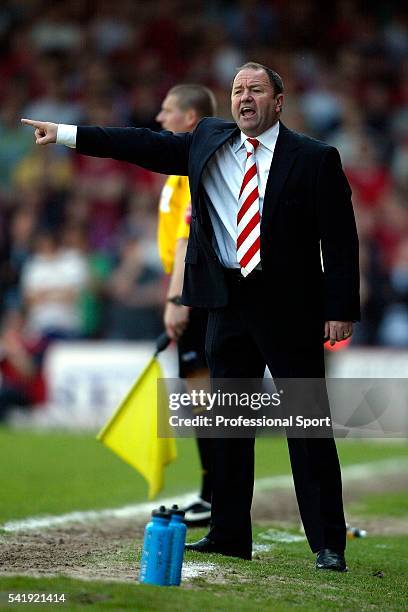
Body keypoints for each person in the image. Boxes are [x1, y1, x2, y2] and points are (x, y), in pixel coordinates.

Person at [21, 61, 360, 571]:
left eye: (256, 89)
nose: (244, 97)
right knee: (226, 425)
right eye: (237, 89)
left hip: (290, 307)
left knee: (308, 426)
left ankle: (328, 543)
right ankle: (227, 533)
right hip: (226, 302)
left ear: (279, 100)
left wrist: (340, 309)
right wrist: (67, 133)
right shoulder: (207, 139)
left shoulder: (315, 158)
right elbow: (138, 142)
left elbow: (339, 240)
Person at [155, 85, 217, 525]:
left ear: (190, 118)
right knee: (202, 397)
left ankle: (216, 494)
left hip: (195, 294)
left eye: (167, 110)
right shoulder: (178, 172)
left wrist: (177, 299)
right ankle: (213, 491)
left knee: (206, 395)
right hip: (190, 291)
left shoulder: (193, 169)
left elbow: (185, 240)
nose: (160, 118)